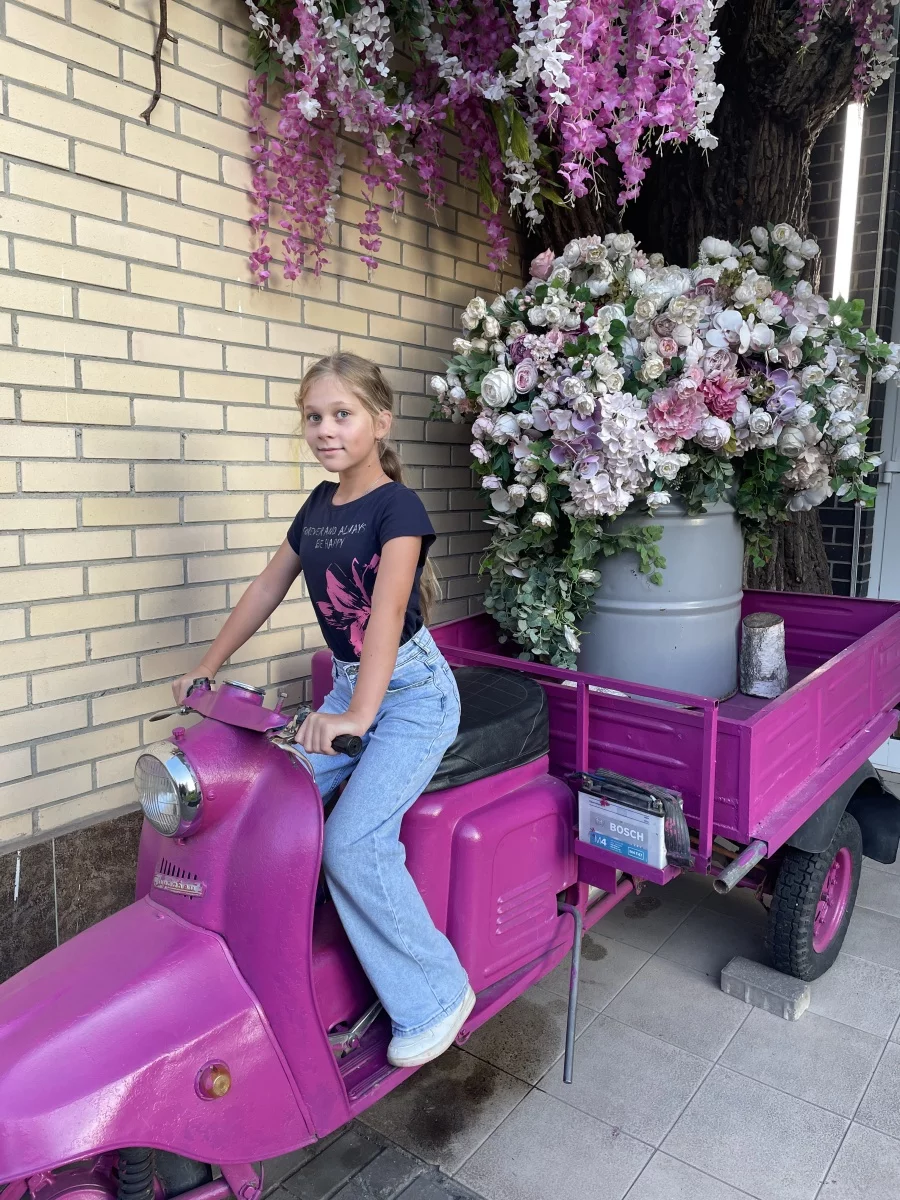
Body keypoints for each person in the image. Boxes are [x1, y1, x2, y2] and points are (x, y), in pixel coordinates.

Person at [172, 351, 474, 1068]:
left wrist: (358, 717)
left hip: (412, 698)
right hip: (349, 689)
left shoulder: (398, 508)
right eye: (313, 417)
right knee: (267, 801)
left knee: (352, 844)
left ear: (380, 422)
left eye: (342, 414)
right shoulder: (317, 506)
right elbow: (266, 587)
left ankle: (437, 994)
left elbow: (388, 612)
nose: (325, 430)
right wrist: (208, 666)